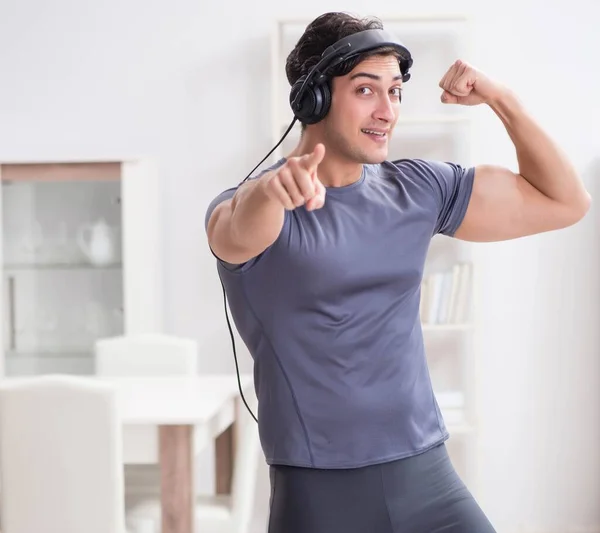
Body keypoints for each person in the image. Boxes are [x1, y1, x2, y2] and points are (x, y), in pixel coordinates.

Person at [204, 11, 591, 533]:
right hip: (320, 499)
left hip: (428, 478)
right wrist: (271, 191)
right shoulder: (253, 206)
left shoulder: (417, 190)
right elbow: (233, 230)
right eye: (366, 90)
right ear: (313, 97)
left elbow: (565, 202)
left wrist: (502, 99)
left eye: (396, 91)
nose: (387, 111)